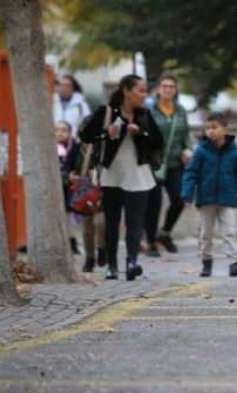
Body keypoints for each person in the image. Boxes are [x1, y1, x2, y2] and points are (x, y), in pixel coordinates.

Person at [80, 74, 163, 281]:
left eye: (145, 91)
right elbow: (86, 136)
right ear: (126, 91)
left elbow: (157, 141)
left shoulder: (144, 114)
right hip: (112, 175)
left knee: (135, 222)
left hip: (138, 175)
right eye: (140, 91)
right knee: (111, 222)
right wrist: (107, 132)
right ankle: (112, 265)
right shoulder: (106, 112)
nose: (144, 95)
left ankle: (132, 262)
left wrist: (140, 132)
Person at [182, 113, 237, 278]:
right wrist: (187, 193)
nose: (210, 131)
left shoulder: (235, 153)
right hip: (206, 198)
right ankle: (206, 261)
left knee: (229, 231)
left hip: (227, 198)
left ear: (225, 130)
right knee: (206, 233)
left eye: (214, 127)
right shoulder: (201, 151)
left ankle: (233, 262)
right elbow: (191, 173)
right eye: (208, 128)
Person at [144, 74, 192, 257]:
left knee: (180, 199)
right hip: (154, 164)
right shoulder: (149, 110)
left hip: (175, 163)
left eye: (171, 86)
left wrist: (188, 149)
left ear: (176, 90)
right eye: (164, 86)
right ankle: (150, 242)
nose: (168, 89)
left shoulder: (180, 111)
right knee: (153, 204)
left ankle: (164, 233)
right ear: (158, 89)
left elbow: (186, 135)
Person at [62, 134, 107, 272]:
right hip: (84, 192)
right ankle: (89, 258)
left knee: (100, 223)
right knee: (87, 226)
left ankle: (102, 249)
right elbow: (66, 169)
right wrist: (71, 176)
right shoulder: (76, 147)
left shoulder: (103, 146)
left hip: (102, 189)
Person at [55, 120, 82, 255]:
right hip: (57, 185)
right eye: (57, 130)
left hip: (72, 187)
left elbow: (80, 167)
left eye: (64, 130)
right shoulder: (50, 148)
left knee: (69, 213)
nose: (60, 133)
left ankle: (72, 241)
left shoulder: (76, 147)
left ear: (70, 133)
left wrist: (74, 176)